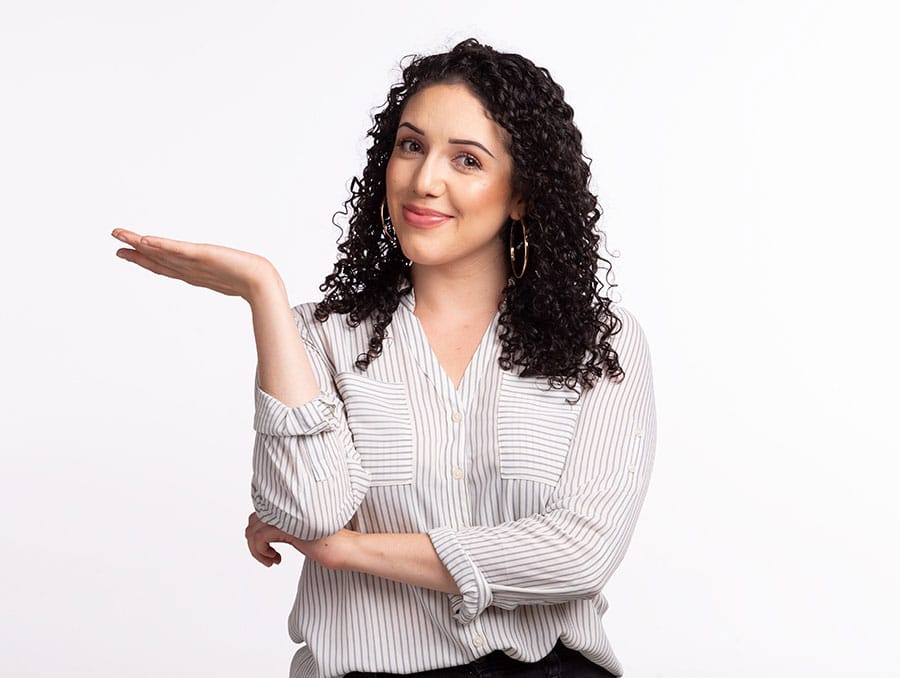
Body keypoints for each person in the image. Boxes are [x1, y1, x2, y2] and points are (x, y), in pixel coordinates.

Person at [112, 38, 656, 678]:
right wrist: (263, 291)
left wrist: (347, 550)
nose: (425, 180)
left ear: (521, 195)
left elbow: (578, 554)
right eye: (411, 145)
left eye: (467, 160)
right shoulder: (321, 337)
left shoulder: (598, 341)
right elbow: (305, 510)